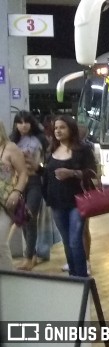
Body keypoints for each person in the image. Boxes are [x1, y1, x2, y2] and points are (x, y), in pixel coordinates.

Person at [42, 115, 96, 277]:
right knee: (66, 241)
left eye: (62, 127)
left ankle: (81, 277)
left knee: (74, 240)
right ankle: (73, 275)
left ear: (70, 129)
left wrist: (72, 173)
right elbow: (48, 174)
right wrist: (35, 169)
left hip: (78, 202)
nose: (58, 130)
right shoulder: (51, 149)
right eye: (56, 128)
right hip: (56, 202)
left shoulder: (82, 150)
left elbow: (93, 172)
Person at [10, 111, 47, 270]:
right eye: (20, 122)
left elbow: (44, 161)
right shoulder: (13, 141)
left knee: (30, 216)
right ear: (16, 125)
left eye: (26, 122)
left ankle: (29, 257)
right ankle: (31, 255)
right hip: (18, 184)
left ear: (31, 123)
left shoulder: (39, 139)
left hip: (34, 181)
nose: (23, 125)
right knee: (24, 220)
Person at [0, 120, 29, 271]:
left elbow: (23, 173)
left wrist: (17, 191)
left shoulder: (10, 148)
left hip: (6, 203)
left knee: (0, 243)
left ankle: (7, 277)